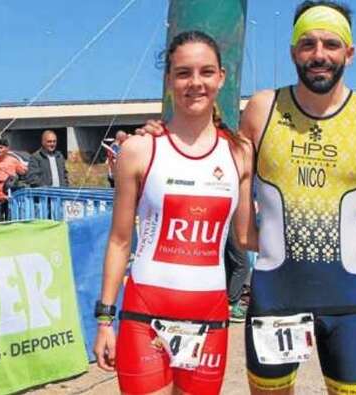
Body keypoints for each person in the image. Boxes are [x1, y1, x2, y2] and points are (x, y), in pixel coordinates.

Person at [138, 2, 356, 393]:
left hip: (346, 302)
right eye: (307, 44)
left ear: (349, 53)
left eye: (330, 44)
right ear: (293, 52)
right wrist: (159, 134)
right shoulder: (263, 109)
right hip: (276, 297)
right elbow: (210, 146)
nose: (319, 54)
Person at [93, 31, 256, 395]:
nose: (195, 83)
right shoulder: (139, 149)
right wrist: (105, 319)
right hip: (143, 314)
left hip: (209, 315)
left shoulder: (240, 153)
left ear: (221, 78)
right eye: (183, 73)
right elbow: (120, 240)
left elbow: (247, 238)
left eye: (206, 72)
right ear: (168, 80)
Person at [0, 138, 27, 222]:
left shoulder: (13, 160)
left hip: (10, 195)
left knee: (10, 219)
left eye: (1, 148)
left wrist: (23, 171)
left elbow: (22, 171)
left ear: (7, 148)